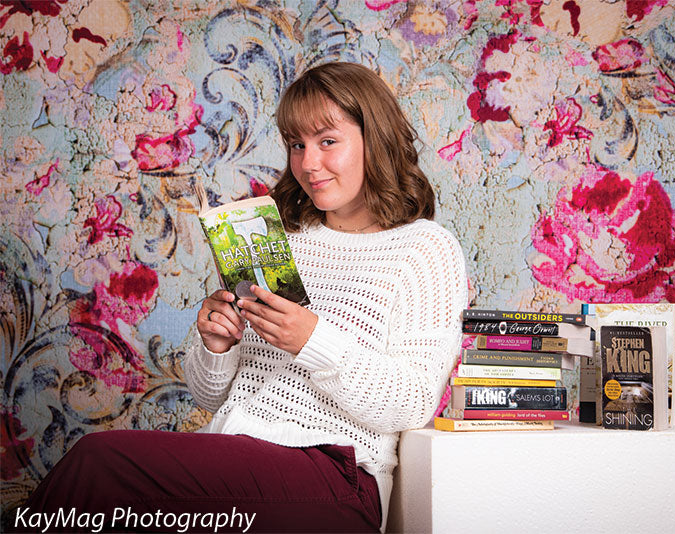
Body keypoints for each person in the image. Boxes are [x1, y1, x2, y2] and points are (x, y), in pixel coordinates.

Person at [17, 62, 467, 533]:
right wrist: (216, 345)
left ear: (375, 138)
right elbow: (213, 397)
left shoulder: (425, 249)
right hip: (235, 456)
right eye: (297, 144)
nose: (308, 164)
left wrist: (311, 340)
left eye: (327, 141)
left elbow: (414, 401)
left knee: (98, 461)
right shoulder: (280, 239)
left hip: (335, 474)